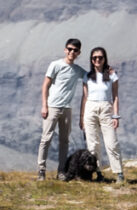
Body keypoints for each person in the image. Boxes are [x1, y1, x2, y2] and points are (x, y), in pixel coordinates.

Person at [37, 36, 87, 181]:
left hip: (67, 109)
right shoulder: (55, 65)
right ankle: (41, 171)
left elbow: (90, 76)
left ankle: (61, 172)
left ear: (78, 53)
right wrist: (44, 105)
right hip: (52, 107)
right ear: (65, 50)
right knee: (46, 139)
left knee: (64, 141)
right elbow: (45, 85)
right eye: (70, 49)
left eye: (75, 50)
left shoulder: (77, 70)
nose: (72, 52)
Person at [82, 46, 124, 184]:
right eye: (94, 58)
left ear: (104, 59)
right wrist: (82, 118)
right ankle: (98, 172)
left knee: (111, 142)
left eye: (100, 57)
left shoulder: (111, 75)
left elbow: (115, 96)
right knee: (93, 144)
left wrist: (116, 115)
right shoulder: (87, 76)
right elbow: (84, 97)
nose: (97, 60)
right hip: (90, 108)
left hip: (106, 108)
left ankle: (119, 173)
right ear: (91, 60)